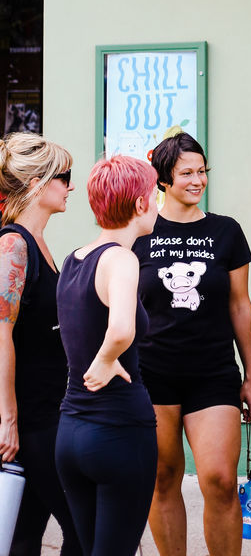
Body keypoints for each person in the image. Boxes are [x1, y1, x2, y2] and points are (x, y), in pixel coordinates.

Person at [133, 132, 251, 556]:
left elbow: (241, 306)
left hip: (213, 373)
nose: (197, 179)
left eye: (202, 171)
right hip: (151, 375)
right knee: (162, 477)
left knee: (221, 481)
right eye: (187, 172)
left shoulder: (226, 232)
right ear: (163, 179)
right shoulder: (140, 233)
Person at [55, 154, 160, 556]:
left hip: (71, 435)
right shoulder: (122, 258)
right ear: (139, 204)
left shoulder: (74, 260)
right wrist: (105, 358)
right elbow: (120, 328)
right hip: (118, 434)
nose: (157, 204)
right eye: (154, 195)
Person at [0, 133, 83, 556]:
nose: (71, 185)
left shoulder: (40, 244)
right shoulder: (14, 245)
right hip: (31, 419)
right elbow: (1, 334)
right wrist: (8, 420)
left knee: (25, 532)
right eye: (64, 176)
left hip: (48, 408)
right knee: (84, 528)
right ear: (36, 184)